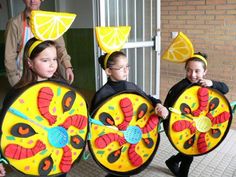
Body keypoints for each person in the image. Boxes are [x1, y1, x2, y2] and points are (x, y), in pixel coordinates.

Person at [90, 51, 169, 177]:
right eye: (121, 68)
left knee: (127, 164)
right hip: (115, 137)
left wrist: (158, 105)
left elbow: (148, 99)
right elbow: (95, 123)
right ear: (109, 71)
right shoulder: (102, 93)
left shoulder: (131, 86)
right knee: (117, 164)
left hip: (134, 133)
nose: (126, 70)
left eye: (127, 66)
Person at [2, 37, 69, 177]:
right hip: (35, 153)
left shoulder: (63, 88)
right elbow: (4, 127)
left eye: (55, 59)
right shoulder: (17, 94)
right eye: (45, 60)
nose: (52, 65)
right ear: (30, 63)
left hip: (57, 150)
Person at [164, 52, 229, 177]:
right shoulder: (179, 87)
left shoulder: (206, 84)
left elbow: (225, 89)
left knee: (188, 151)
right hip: (179, 126)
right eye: (189, 70)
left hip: (198, 124)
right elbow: (168, 107)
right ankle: (182, 173)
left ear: (205, 71)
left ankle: (172, 161)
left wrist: (212, 83)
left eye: (197, 71)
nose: (192, 75)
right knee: (189, 152)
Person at [4, 0, 74, 86]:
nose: (33, 0)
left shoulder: (50, 21)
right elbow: (9, 56)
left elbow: (60, 48)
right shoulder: (14, 24)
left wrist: (68, 67)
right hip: (23, 77)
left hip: (49, 76)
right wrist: (15, 81)